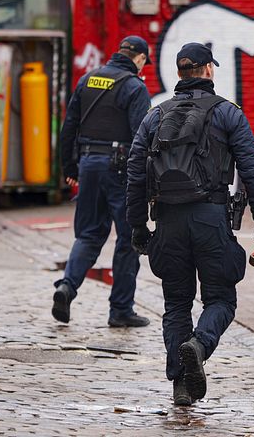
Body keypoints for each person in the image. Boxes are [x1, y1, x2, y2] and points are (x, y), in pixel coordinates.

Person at [126, 42, 254, 406]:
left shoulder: (155, 115)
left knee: (176, 303)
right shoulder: (228, 113)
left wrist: (138, 226)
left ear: (179, 73)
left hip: (168, 220)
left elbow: (134, 173)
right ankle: (199, 344)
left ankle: (181, 386)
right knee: (221, 297)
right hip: (211, 217)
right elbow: (251, 167)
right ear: (208, 70)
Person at [52, 36, 152, 328]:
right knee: (129, 238)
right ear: (140, 59)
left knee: (88, 234)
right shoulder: (135, 87)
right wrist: (143, 180)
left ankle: (67, 287)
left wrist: (69, 167)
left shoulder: (88, 79)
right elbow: (140, 138)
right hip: (119, 169)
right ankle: (120, 310)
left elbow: (68, 126)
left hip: (88, 165)